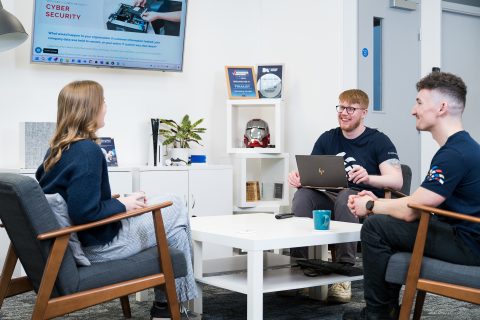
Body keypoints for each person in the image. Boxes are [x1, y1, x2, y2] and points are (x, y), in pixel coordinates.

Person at [35, 80, 198, 320]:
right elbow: (84, 213)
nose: (105, 107)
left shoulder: (57, 150)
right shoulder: (88, 151)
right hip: (102, 247)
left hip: (76, 242)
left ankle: (168, 309)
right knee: (176, 204)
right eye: (102, 101)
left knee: (175, 230)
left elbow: (72, 199)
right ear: (89, 109)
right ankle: (173, 308)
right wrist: (124, 205)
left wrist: (117, 199)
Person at [344, 72, 480, 320]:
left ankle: (377, 315)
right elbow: (418, 201)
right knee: (385, 223)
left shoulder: (455, 154)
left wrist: (371, 205)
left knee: (375, 227)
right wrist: (379, 203)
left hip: (468, 244)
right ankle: (385, 311)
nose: (412, 110)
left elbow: (411, 209)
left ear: (441, 107)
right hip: (461, 232)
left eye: (419, 102)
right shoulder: (461, 147)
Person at [288, 89, 403, 303]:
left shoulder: (379, 140)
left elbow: (397, 180)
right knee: (303, 195)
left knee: (346, 196)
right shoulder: (327, 138)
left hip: (362, 200)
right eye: (341, 107)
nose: (344, 113)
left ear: (364, 113)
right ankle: (300, 266)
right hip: (329, 197)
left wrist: (368, 178)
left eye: (351, 108)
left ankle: (343, 274)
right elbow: (314, 173)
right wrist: (300, 179)